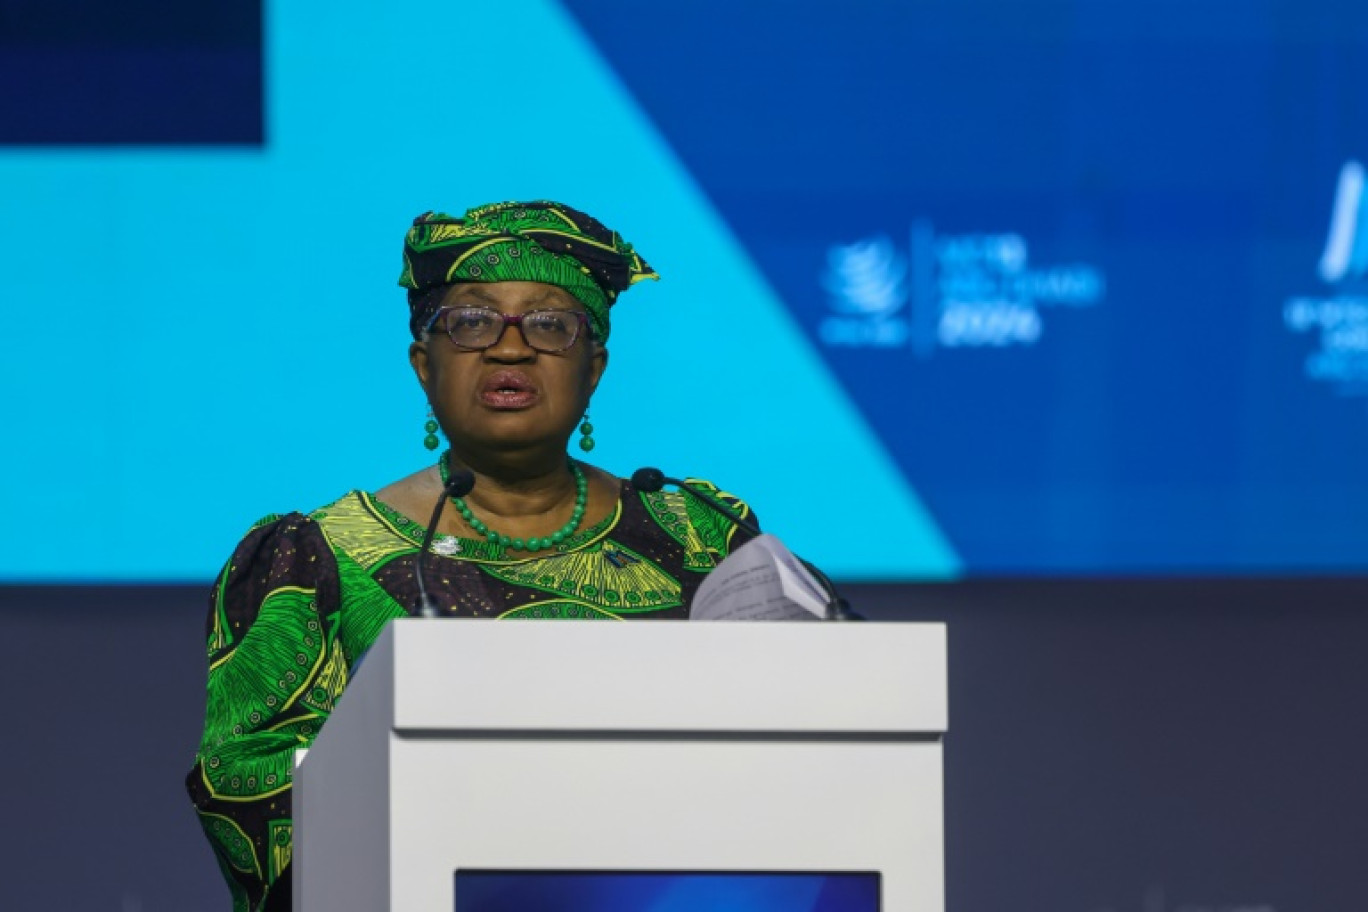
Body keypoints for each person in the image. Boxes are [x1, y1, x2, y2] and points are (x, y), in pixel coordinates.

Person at [185, 200, 758, 911]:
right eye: (471, 322)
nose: (510, 348)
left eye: (550, 324)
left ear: (595, 367)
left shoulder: (702, 533)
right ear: (424, 366)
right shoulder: (316, 559)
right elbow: (255, 802)